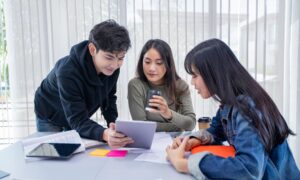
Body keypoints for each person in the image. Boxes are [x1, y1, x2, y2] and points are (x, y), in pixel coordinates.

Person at [166, 39, 300, 179]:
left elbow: (248, 170)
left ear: (214, 73)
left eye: (195, 75)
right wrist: (193, 140)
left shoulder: (247, 109)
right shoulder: (230, 102)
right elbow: (216, 131)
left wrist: (184, 164)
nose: (192, 82)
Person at [34, 20, 134, 149]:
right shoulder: (67, 71)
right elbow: (78, 120)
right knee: (52, 156)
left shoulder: (111, 68)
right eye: (109, 57)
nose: (115, 65)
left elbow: (109, 97)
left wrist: (113, 124)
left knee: (76, 156)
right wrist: (104, 134)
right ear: (92, 49)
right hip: (50, 114)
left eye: (121, 58)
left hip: (75, 113)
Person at [128, 39, 196, 132]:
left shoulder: (180, 86)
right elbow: (141, 126)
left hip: (175, 142)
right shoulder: (136, 85)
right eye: (147, 62)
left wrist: (168, 113)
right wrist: (177, 126)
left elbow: (191, 124)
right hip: (148, 141)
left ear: (168, 64)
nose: (151, 68)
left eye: (159, 63)